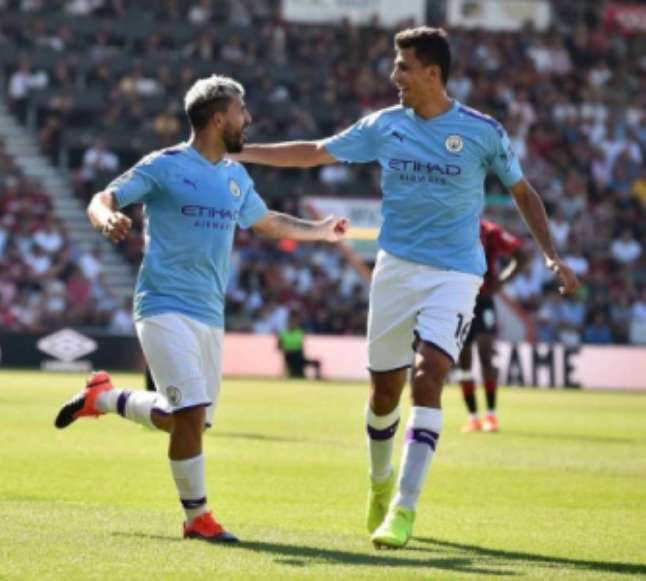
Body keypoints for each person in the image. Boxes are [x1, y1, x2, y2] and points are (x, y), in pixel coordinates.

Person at [232, 26, 579, 549]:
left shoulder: (483, 132)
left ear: (432, 73)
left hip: (456, 273)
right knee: (383, 392)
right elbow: (316, 151)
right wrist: (242, 153)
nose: (394, 76)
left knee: (430, 374)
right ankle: (379, 481)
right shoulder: (385, 125)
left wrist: (552, 254)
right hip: (395, 269)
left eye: (403, 67)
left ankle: (404, 507)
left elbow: (523, 192)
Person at [53, 75, 348, 544]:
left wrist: (321, 230)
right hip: (162, 304)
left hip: (210, 315)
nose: (247, 119)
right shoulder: (165, 165)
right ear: (217, 118)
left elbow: (267, 222)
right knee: (190, 412)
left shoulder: (235, 176)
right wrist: (106, 217)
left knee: (181, 420)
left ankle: (103, 397)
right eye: (241, 112)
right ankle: (197, 517)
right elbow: (101, 197)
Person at [459, 220, 527, 433]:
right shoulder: (452, 224)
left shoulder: (490, 231)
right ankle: (473, 417)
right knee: (464, 361)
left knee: (485, 355)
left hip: (484, 300)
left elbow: (521, 256)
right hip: (459, 301)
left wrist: (501, 282)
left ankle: (491, 416)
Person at [278, 312, 322, 379]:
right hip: (289, 358)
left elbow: (302, 347)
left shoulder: (300, 333)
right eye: (291, 322)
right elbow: (279, 346)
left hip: (299, 357)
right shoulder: (283, 334)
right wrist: (288, 349)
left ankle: (317, 377)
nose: (292, 324)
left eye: (294, 322)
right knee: (297, 374)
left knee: (316, 362)